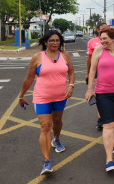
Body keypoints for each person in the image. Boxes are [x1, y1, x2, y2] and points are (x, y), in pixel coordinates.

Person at [18, 30, 75, 175]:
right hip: (42, 97)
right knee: (45, 126)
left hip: (61, 96)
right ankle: (47, 161)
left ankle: (56, 139)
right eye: (51, 40)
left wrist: (71, 85)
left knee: (57, 121)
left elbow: (72, 73)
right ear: (45, 42)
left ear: (60, 42)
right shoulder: (38, 57)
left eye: (57, 40)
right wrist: (21, 95)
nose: (55, 43)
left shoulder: (65, 56)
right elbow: (29, 78)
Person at [85, 28, 114, 172]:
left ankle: (112, 142)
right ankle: (109, 160)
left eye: (105, 39)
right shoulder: (98, 51)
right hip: (103, 93)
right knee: (108, 124)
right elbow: (92, 70)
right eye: (101, 39)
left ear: (113, 38)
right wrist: (90, 89)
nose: (102, 41)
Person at [86, 22, 108, 131]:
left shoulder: (111, 40)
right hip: (97, 71)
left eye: (107, 28)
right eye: (103, 28)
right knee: (99, 94)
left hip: (108, 71)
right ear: (98, 30)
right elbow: (89, 59)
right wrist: (87, 73)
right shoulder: (92, 42)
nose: (106, 29)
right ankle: (100, 118)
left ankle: (107, 116)